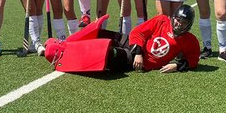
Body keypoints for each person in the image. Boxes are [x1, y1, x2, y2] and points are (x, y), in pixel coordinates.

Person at [45, 4, 200, 73]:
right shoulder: (161, 20)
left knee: (107, 54)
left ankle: (66, 55)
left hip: (138, 61)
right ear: (173, 18)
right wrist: (138, 51)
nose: (179, 24)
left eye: (184, 22)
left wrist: (177, 66)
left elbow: (193, 59)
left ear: (189, 24)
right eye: (178, 20)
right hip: (136, 47)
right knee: (102, 33)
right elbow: (137, 33)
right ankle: (67, 43)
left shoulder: (190, 40)